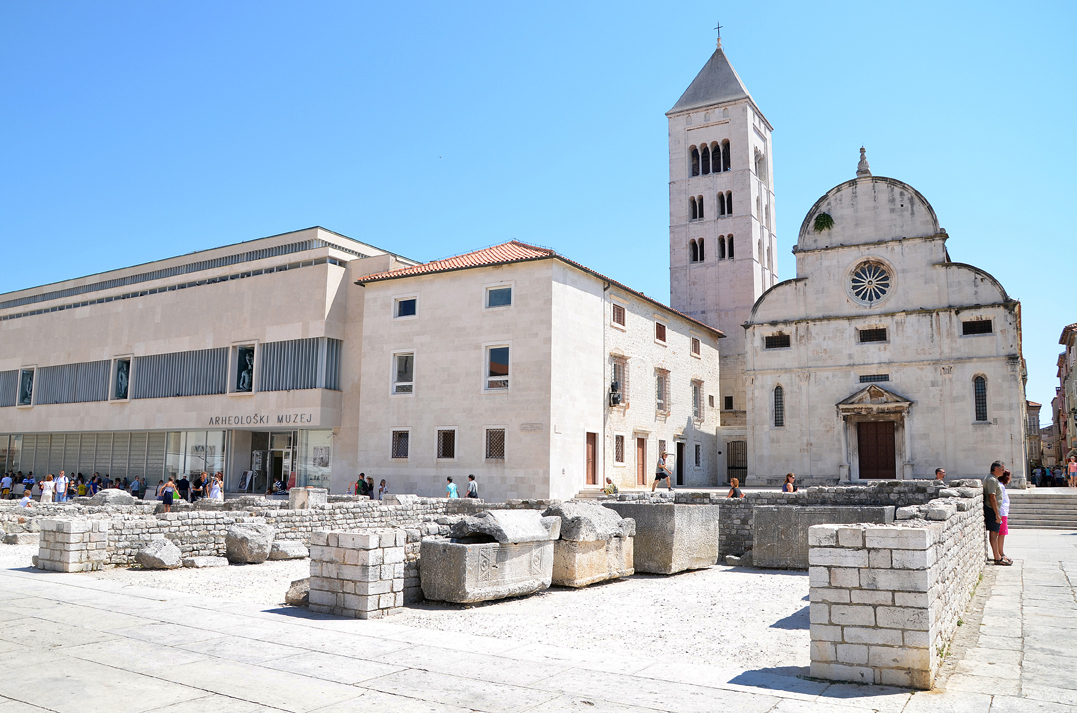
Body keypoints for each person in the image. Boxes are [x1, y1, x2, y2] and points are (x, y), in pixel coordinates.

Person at [984, 461, 1007, 565]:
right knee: (994, 534)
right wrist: (997, 514)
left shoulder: (992, 478)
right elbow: (992, 497)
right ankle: (997, 558)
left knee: (995, 533)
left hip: (993, 509)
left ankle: (997, 556)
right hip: (992, 509)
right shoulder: (992, 480)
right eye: (1002, 469)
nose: (1003, 471)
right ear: (996, 469)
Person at [997, 470, 1013, 565]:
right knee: (1001, 533)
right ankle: (1001, 553)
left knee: (1002, 533)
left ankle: (1000, 552)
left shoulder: (1001, 486)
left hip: (1003, 511)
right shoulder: (1000, 486)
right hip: (1002, 512)